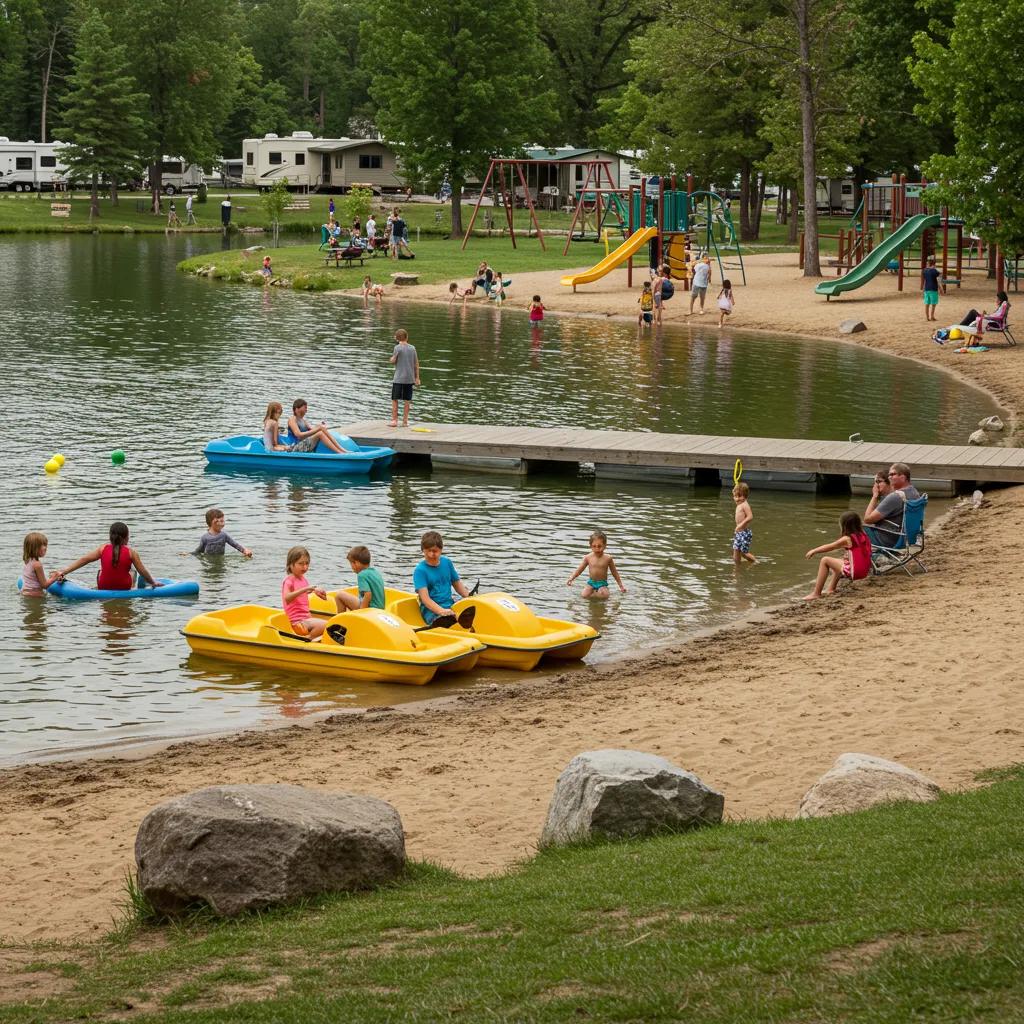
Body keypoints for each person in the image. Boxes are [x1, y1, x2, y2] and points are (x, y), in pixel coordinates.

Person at [57, 522, 162, 591]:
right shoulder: (131, 552)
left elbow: (84, 559)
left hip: (103, 587)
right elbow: (142, 571)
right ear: (126, 537)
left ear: (110, 537)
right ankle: (137, 586)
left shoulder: (102, 549)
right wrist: (153, 582)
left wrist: (64, 572)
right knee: (134, 572)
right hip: (124, 588)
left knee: (101, 571)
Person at [803, 511, 872, 600]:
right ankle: (831, 589)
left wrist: (814, 550)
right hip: (865, 570)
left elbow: (830, 547)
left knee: (825, 560)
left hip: (855, 572)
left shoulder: (847, 539)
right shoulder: (863, 534)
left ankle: (816, 593)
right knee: (838, 562)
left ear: (844, 525)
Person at [414, 530, 471, 625]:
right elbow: (425, 599)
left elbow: (457, 585)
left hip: (449, 605)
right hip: (431, 612)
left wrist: (470, 597)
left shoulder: (447, 562)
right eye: (428, 551)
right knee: (448, 620)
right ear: (422, 550)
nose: (431, 554)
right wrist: (442, 611)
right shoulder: (420, 571)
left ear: (441, 550)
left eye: (435, 551)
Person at [863, 462, 920, 548]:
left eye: (893, 474)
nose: (889, 477)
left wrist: (874, 496)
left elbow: (867, 519)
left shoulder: (895, 497)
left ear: (903, 477)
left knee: (853, 531)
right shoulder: (914, 492)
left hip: (890, 539)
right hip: (909, 538)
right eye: (889, 475)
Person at [282, 546, 327, 639]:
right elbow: (287, 598)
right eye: (301, 564)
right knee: (325, 625)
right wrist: (305, 589)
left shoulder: (303, 579)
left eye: (307, 563)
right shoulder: (289, 581)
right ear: (290, 564)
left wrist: (314, 591)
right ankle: (307, 639)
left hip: (306, 619)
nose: (305, 567)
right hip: (296, 623)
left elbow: (301, 595)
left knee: (331, 624)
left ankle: (311, 637)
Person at [566, 529, 626, 599]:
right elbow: (579, 570)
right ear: (590, 546)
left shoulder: (608, 558)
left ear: (605, 546)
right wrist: (571, 578)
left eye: (599, 546)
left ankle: (598, 596)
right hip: (591, 582)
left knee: (605, 596)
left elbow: (614, 573)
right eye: (594, 546)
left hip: (602, 583)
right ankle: (594, 597)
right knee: (584, 595)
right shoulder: (588, 557)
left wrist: (621, 586)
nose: (597, 549)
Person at [333, 545, 386, 611]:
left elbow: (368, 594)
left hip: (370, 609)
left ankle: (340, 617)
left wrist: (361, 611)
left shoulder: (361, 575)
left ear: (356, 563)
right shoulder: (375, 572)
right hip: (380, 609)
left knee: (339, 595)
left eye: (351, 563)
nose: (351, 567)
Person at [389, 328, 420, 427]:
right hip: (409, 378)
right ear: (407, 337)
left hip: (398, 378)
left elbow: (393, 361)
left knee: (395, 399)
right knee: (407, 400)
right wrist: (417, 378)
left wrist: (391, 359)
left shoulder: (397, 348)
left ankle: (394, 420)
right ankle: (405, 421)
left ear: (397, 338)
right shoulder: (412, 348)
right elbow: (416, 364)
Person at [21, 531, 60, 596]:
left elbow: (33, 578)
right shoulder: (37, 564)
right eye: (43, 545)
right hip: (35, 596)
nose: (45, 548)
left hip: (25, 592)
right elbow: (44, 585)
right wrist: (55, 577)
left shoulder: (27, 560)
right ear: (34, 548)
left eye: (46, 545)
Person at [732, 481, 755, 564]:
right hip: (739, 533)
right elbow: (735, 492)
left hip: (744, 533)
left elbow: (750, 516)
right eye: (735, 496)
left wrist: (740, 525)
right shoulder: (739, 503)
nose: (737, 499)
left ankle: (755, 562)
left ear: (745, 496)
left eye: (740, 496)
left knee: (743, 553)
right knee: (736, 553)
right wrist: (735, 490)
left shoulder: (745, 505)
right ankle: (737, 568)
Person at [922, 256, 944, 322]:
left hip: (926, 289)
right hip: (933, 289)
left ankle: (927, 317)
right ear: (933, 265)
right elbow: (938, 279)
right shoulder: (934, 271)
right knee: (933, 304)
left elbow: (925, 281)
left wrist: (923, 289)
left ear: (928, 264)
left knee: (927, 304)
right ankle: (932, 317)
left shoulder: (924, 271)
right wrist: (941, 289)